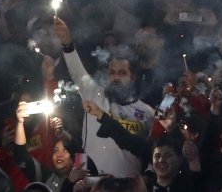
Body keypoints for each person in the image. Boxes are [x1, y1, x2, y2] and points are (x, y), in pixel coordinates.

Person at [53, 17, 154, 178]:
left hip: (126, 188)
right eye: (112, 73)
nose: (115, 78)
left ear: (132, 77)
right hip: (91, 185)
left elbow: (152, 157)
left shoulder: (147, 112)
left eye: (122, 73)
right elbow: (77, 72)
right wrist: (67, 42)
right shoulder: (95, 96)